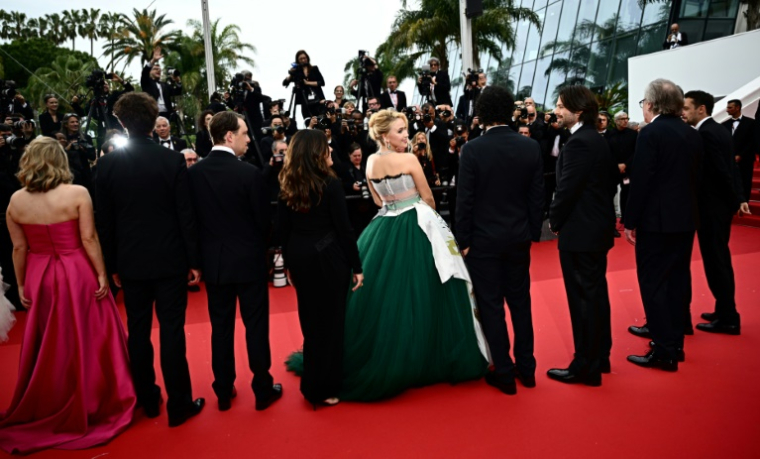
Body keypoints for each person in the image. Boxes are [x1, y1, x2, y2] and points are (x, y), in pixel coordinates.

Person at [336, 109, 489, 401]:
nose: (405, 136)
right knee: (430, 288)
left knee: (386, 295)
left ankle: (390, 354)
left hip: (383, 226)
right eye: (399, 131)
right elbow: (428, 196)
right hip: (417, 222)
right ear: (384, 135)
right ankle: (428, 355)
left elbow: (379, 200)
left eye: (406, 130)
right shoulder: (408, 159)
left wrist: (395, 203)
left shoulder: (369, 162)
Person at [0, 137, 135, 454]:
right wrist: (101, 272)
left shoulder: (16, 201)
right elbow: (88, 238)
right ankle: (97, 397)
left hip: (38, 274)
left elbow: (19, 248)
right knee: (90, 334)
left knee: (51, 341)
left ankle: (52, 399)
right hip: (76, 271)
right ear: (60, 160)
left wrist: (21, 285)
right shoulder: (77, 193)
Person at [95, 92, 205, 427]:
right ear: (151, 121)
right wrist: (193, 260)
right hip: (170, 259)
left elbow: (105, 222)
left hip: (130, 261)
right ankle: (179, 405)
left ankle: (147, 399)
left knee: (137, 331)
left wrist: (111, 265)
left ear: (123, 123)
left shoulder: (107, 165)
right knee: (172, 331)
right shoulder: (171, 161)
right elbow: (185, 215)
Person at [187, 111, 283, 412]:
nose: (247, 139)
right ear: (229, 136)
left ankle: (224, 391)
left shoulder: (193, 174)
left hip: (215, 265)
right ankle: (262, 388)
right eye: (243, 133)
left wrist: (197, 260)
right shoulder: (250, 173)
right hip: (249, 261)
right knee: (256, 326)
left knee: (221, 328)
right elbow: (263, 221)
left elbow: (189, 223)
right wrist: (260, 251)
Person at [456, 86, 544, 395]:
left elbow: (464, 200)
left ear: (482, 113)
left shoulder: (473, 150)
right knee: (521, 303)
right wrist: (533, 232)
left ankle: (504, 372)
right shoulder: (529, 147)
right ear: (509, 111)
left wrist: (462, 240)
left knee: (491, 305)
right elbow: (537, 198)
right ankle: (528, 368)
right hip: (518, 238)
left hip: (483, 243)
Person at [279, 130, 363, 408]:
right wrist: (357, 266)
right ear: (315, 153)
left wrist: (289, 264)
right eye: (326, 149)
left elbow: (284, 230)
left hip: (300, 257)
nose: (331, 152)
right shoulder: (330, 184)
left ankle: (313, 384)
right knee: (331, 324)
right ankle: (325, 388)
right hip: (328, 258)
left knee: (312, 323)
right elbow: (344, 230)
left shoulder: (288, 182)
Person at [624, 79, 703, 371]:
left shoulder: (650, 133)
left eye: (643, 102)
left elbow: (641, 181)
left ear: (652, 104)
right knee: (677, 281)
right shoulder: (692, 134)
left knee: (654, 284)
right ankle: (675, 345)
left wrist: (629, 221)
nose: (643, 108)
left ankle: (664, 351)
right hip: (685, 220)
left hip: (657, 223)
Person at [547, 86, 617, 387]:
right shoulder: (594, 139)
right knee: (595, 293)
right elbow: (611, 181)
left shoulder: (579, 143)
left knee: (584, 299)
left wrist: (554, 221)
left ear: (577, 111)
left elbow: (567, 190)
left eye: (561, 106)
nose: (556, 111)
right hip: (594, 229)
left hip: (581, 232)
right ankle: (600, 356)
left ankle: (585, 366)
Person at [683, 90, 746, 335]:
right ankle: (724, 310)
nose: (683, 112)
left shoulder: (707, 133)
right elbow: (731, 168)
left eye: (687, 108)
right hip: (717, 207)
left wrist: (731, 200)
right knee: (718, 259)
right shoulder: (718, 129)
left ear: (701, 109)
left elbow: (722, 171)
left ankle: (729, 317)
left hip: (712, 209)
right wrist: (737, 198)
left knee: (716, 261)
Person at [723, 99, 759, 202]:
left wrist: (741, 155)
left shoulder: (751, 123)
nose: (727, 110)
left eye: (730, 107)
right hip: (730, 160)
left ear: (737, 108)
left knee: (745, 181)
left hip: (746, 159)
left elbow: (752, 142)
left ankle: (744, 203)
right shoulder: (725, 124)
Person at [607, 112, 637, 226]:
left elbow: (636, 151)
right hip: (613, 170)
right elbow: (607, 152)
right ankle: (611, 219)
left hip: (627, 171)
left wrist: (625, 164)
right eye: (622, 119)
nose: (625, 121)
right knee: (610, 193)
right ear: (616, 121)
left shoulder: (633, 134)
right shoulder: (609, 134)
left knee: (627, 193)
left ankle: (625, 217)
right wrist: (617, 165)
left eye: (627, 118)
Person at [141, 46, 182, 119]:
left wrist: (178, 81)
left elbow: (177, 92)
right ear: (150, 72)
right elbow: (145, 72)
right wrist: (153, 60)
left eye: (159, 69)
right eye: (155, 69)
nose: (158, 70)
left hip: (166, 113)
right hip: (152, 113)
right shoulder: (146, 82)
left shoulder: (165, 85)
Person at [283, 50, 326, 118]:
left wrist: (307, 83)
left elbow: (322, 83)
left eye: (304, 58)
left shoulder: (314, 69)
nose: (303, 60)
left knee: (321, 117)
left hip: (317, 98)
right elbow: (285, 83)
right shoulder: (297, 72)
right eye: (301, 59)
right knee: (307, 119)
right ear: (298, 60)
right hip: (305, 100)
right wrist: (291, 73)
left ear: (307, 58)